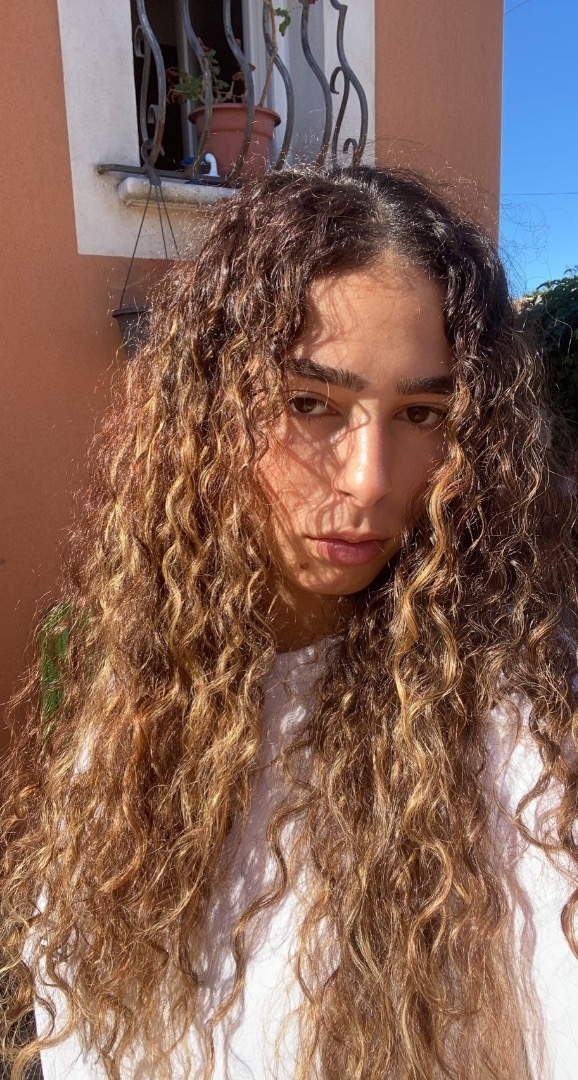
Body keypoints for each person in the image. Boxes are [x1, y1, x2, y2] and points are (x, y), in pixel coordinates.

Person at [1, 165, 578, 1080]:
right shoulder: (145, 699)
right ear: (207, 415)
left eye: (423, 413)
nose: (370, 481)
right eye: (309, 403)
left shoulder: (518, 746)